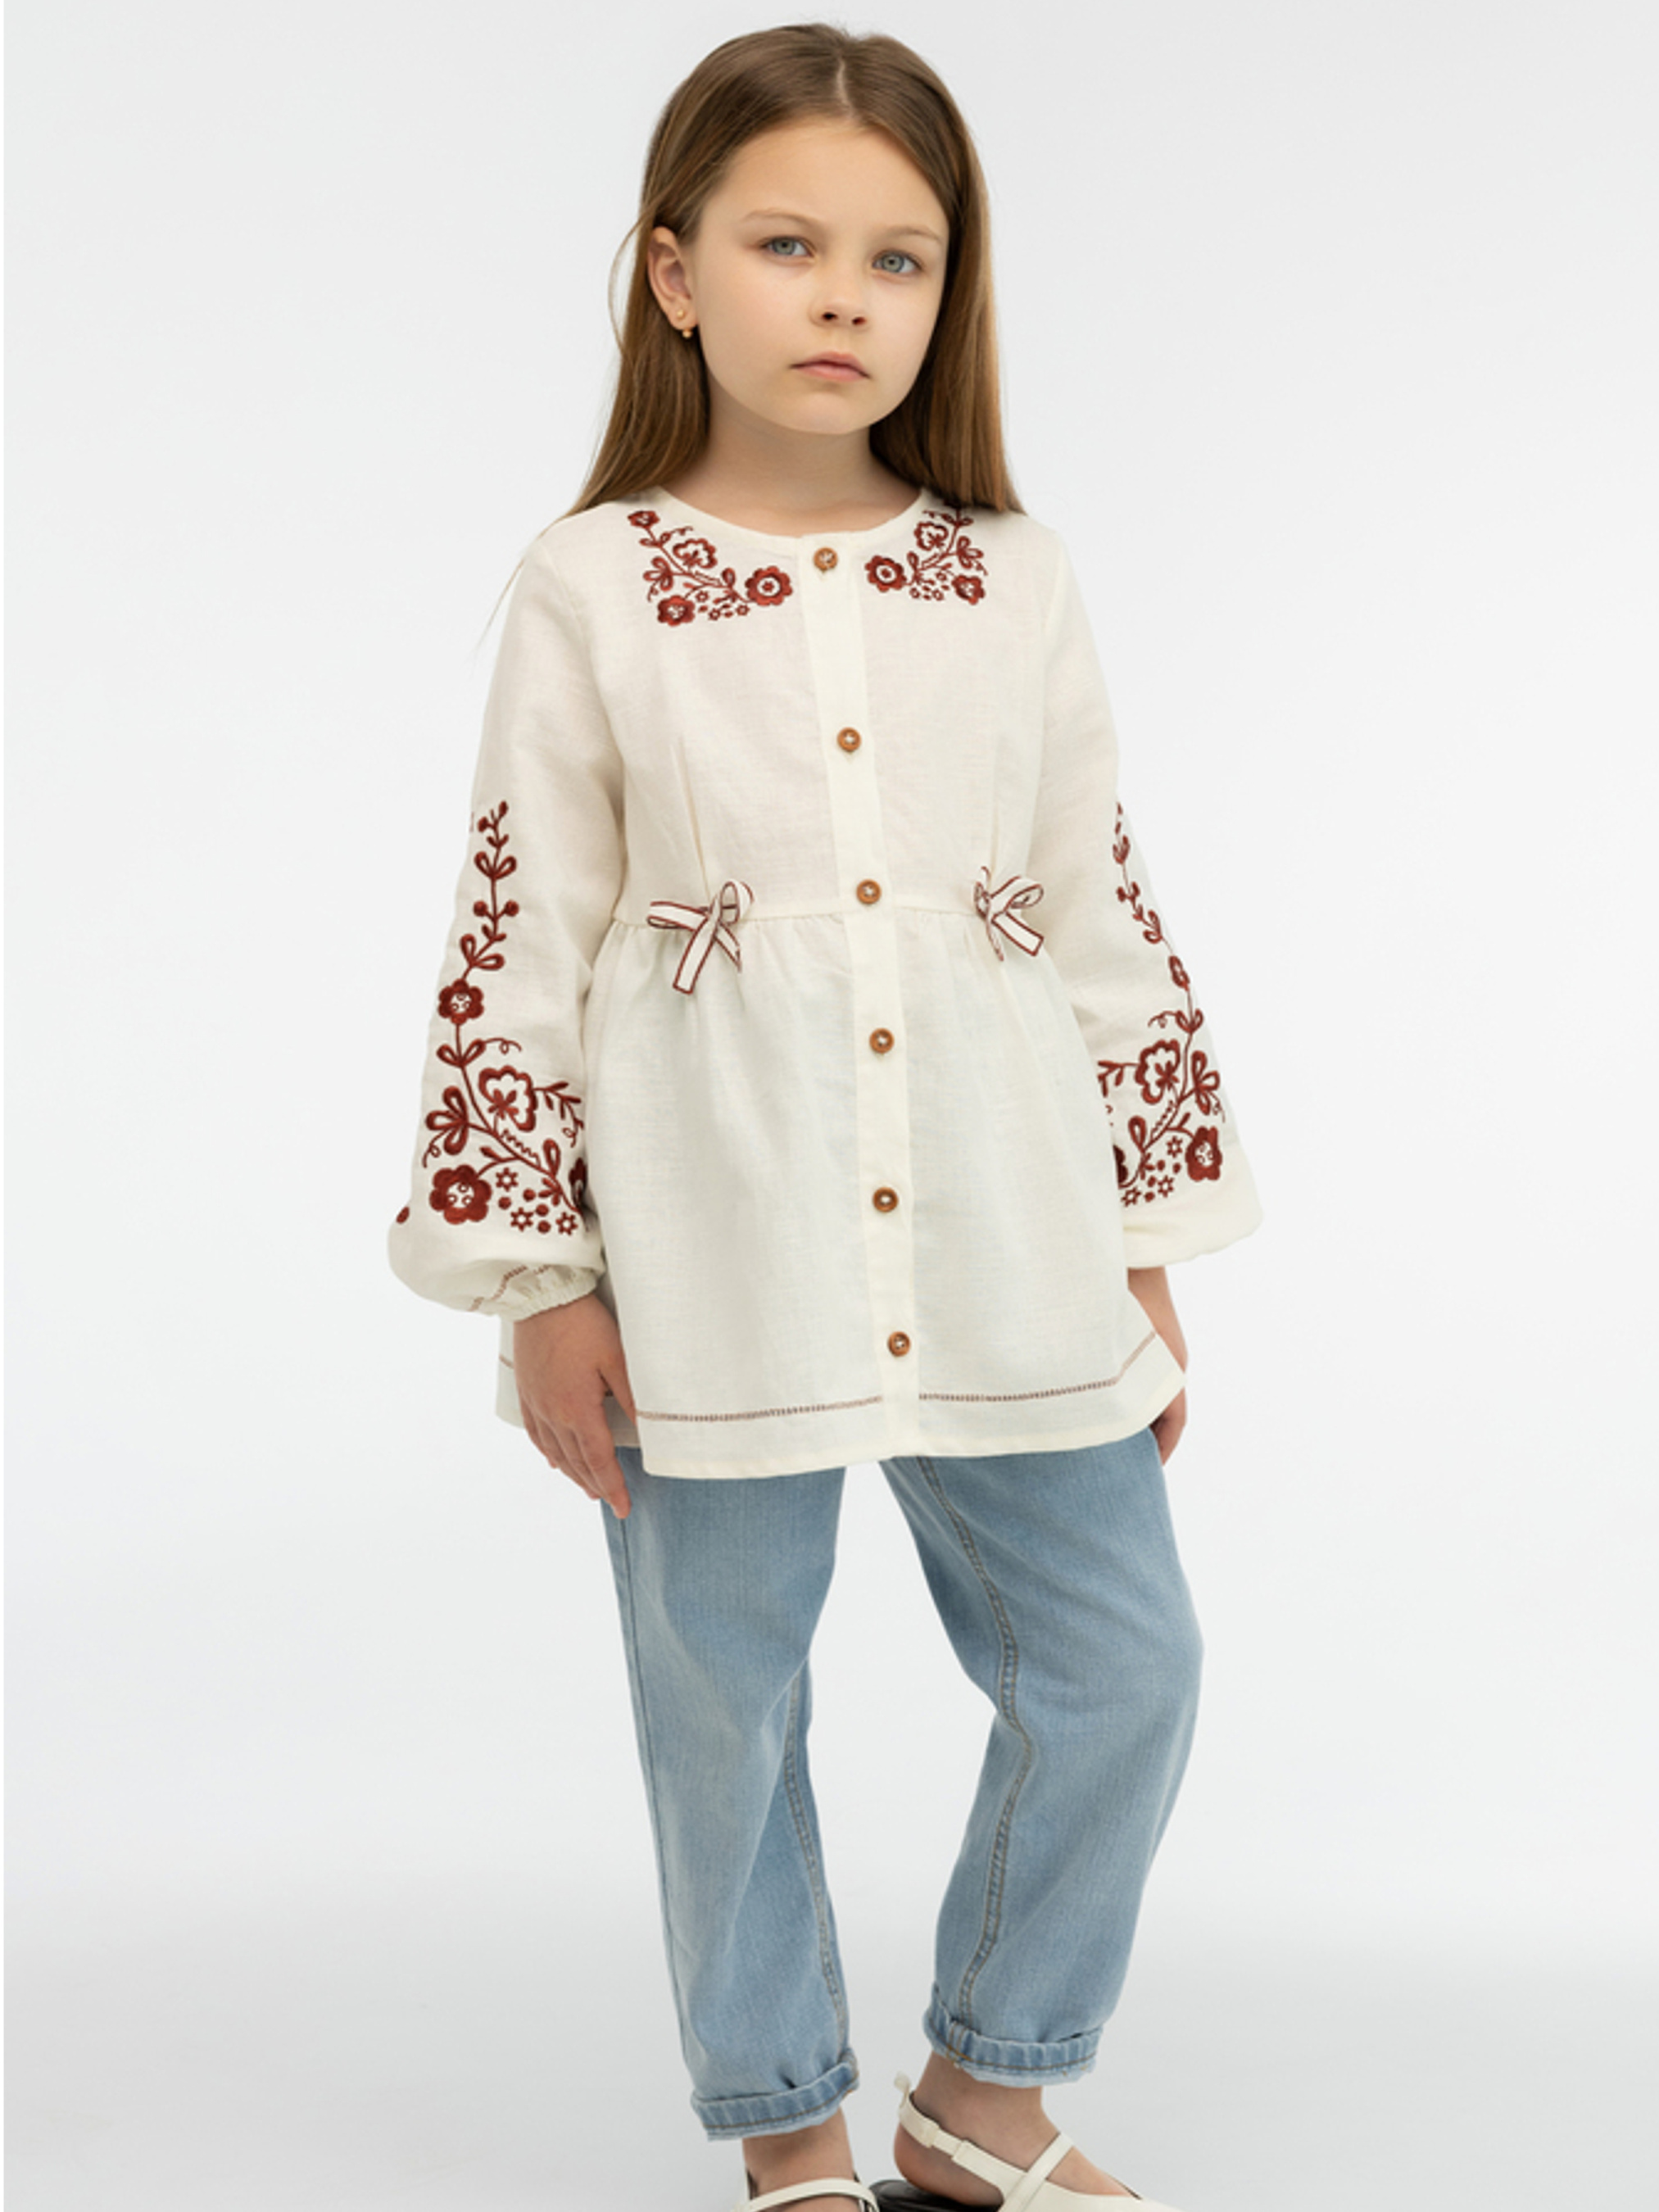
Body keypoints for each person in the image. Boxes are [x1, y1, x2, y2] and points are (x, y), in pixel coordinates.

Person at [388, 23, 1263, 2212]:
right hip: (710, 1243)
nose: (845, 298)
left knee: (1127, 1663)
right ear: (674, 272)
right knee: (725, 1701)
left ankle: (982, 2100)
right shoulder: (597, 585)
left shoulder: (1014, 576)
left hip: (1007, 1227)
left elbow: (1094, 909)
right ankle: (788, 2129)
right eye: (786, 245)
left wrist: (1141, 1232)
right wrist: (537, 1281)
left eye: (898, 256)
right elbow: (518, 933)